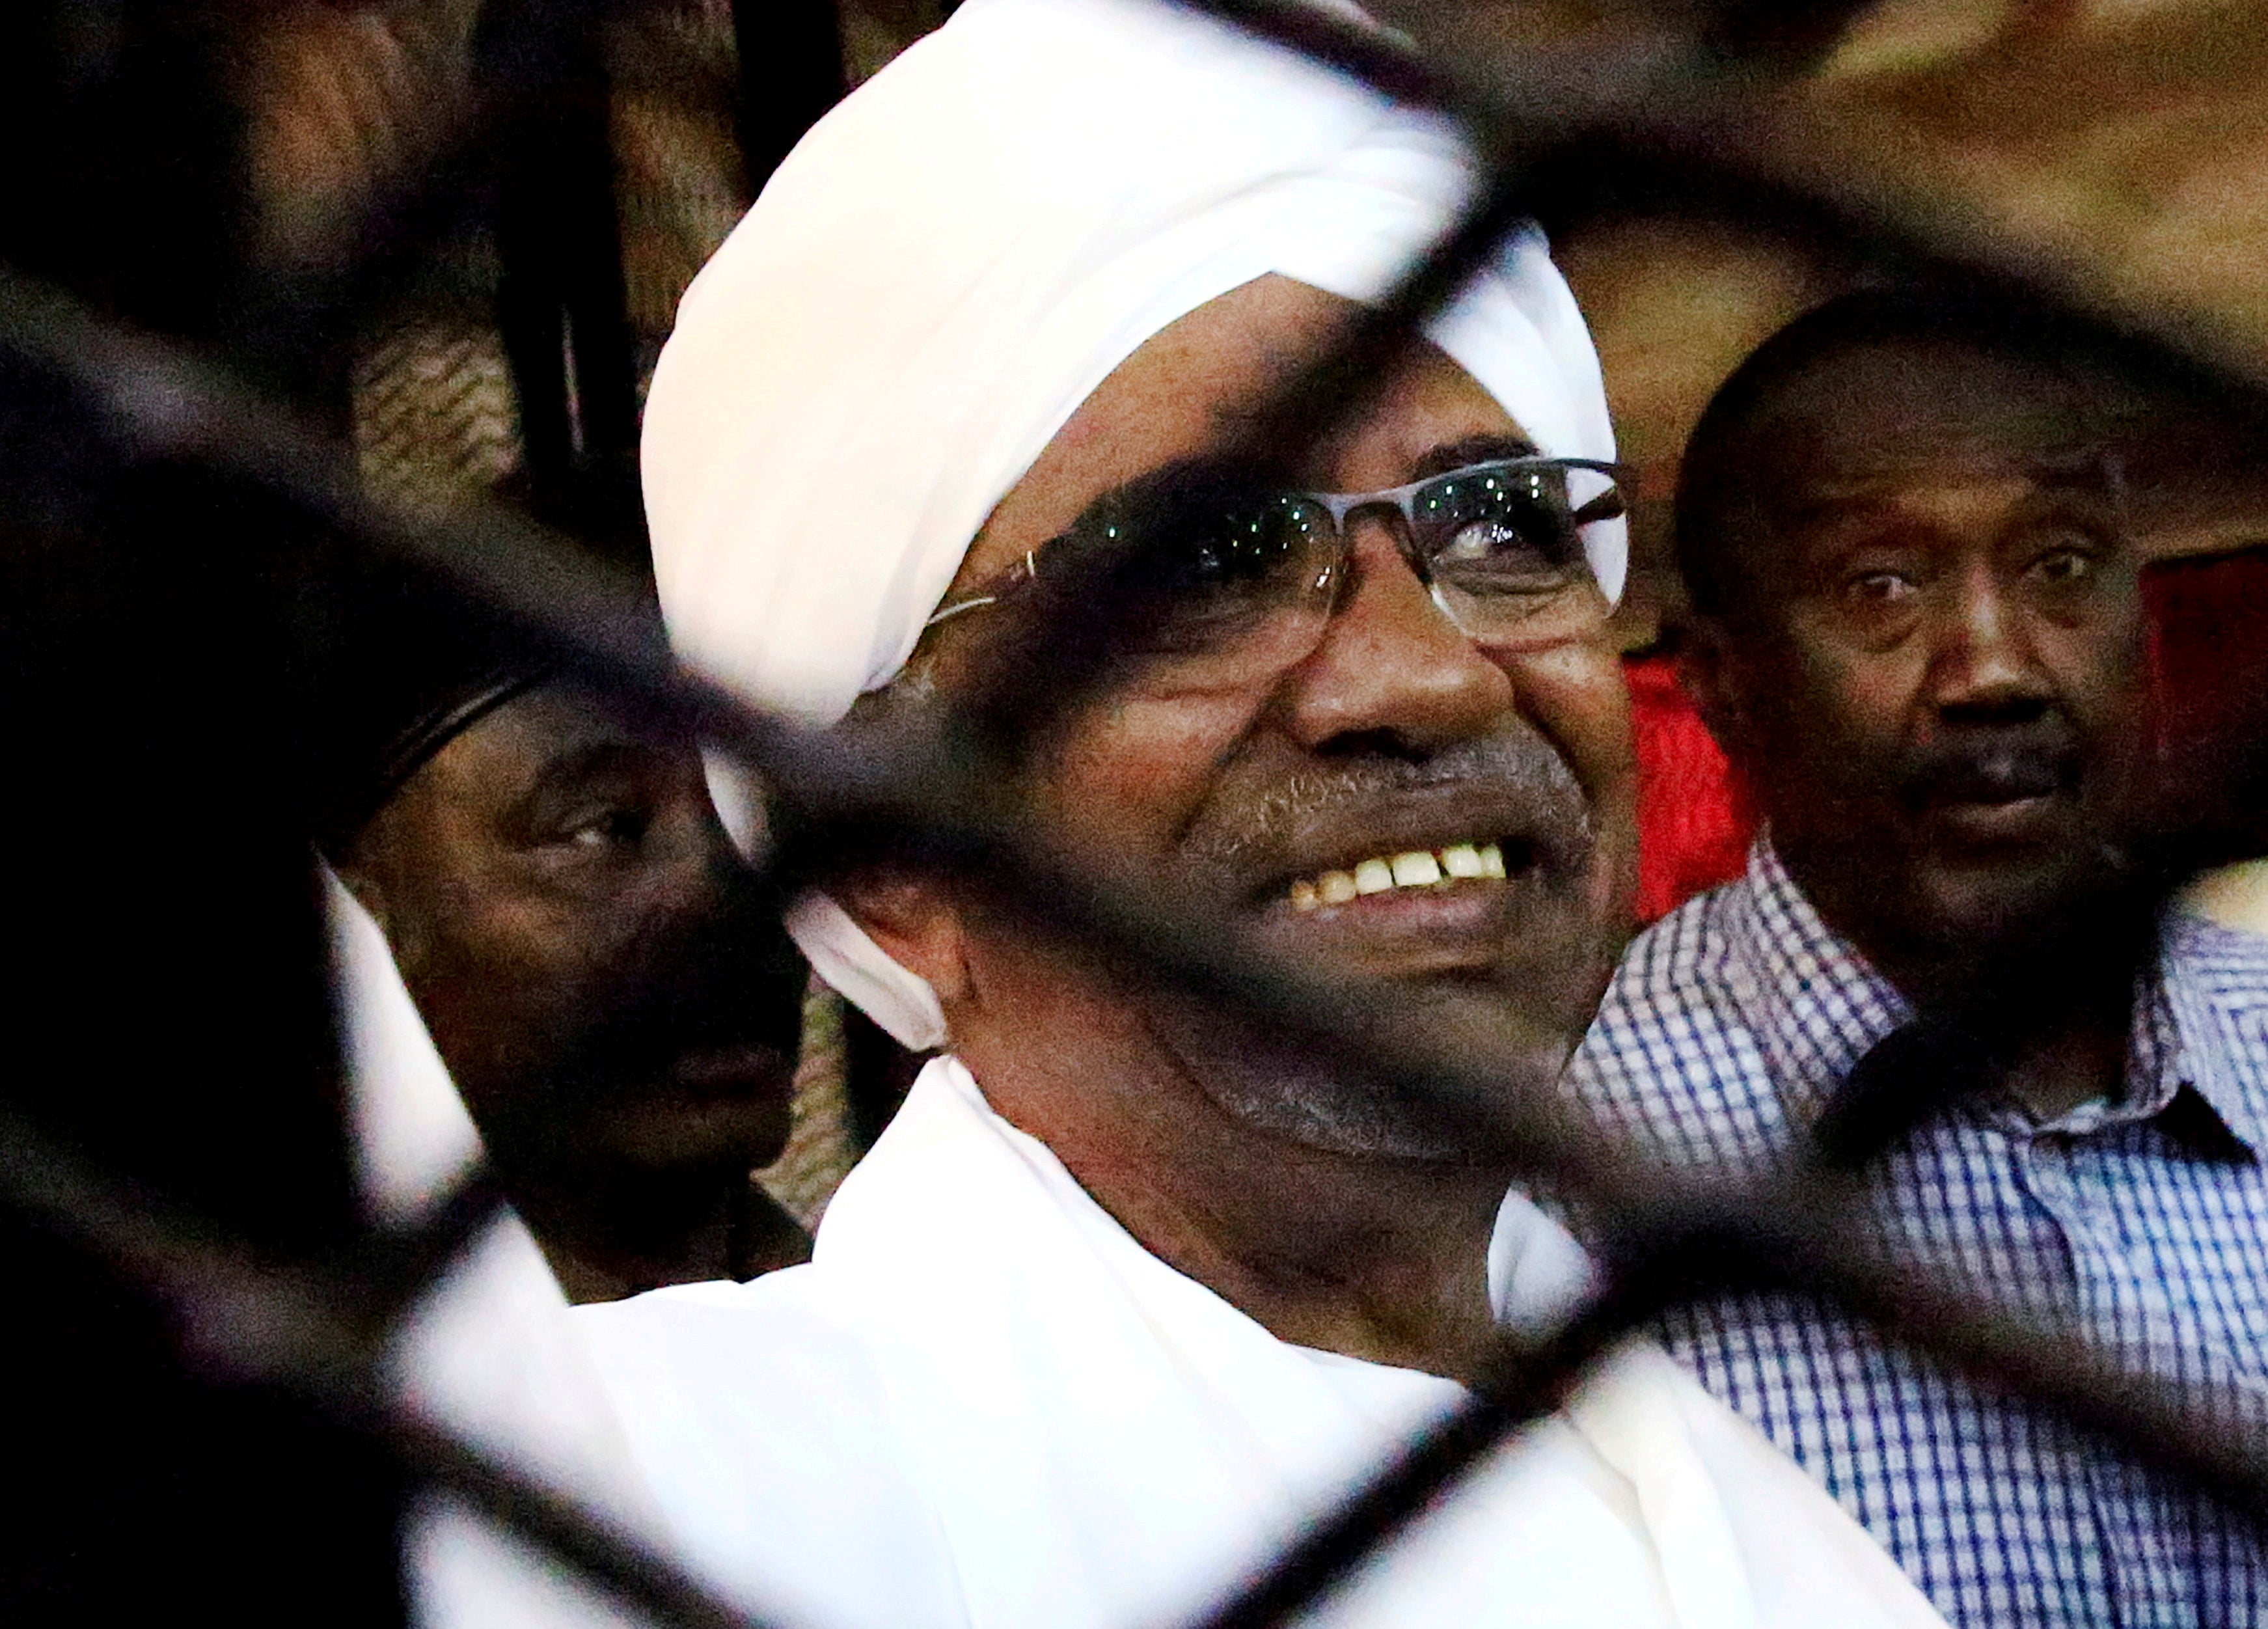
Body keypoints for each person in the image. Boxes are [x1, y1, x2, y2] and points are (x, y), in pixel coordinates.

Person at [575, 3, 1945, 1627]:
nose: (1424, 673)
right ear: (888, 857)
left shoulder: (1784, 1548)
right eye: (1194, 565)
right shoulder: (657, 1499)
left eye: (1501, 524)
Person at [1569, 292, 2268, 1627]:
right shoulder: (1567, 1160)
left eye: (2059, 563)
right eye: (1879, 587)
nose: (1994, 668)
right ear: (1716, 679)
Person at [320, 607, 810, 1302]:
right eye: (602, 828)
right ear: (375, 915)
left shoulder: (927, 1317)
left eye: (753, 822)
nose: (730, 904)